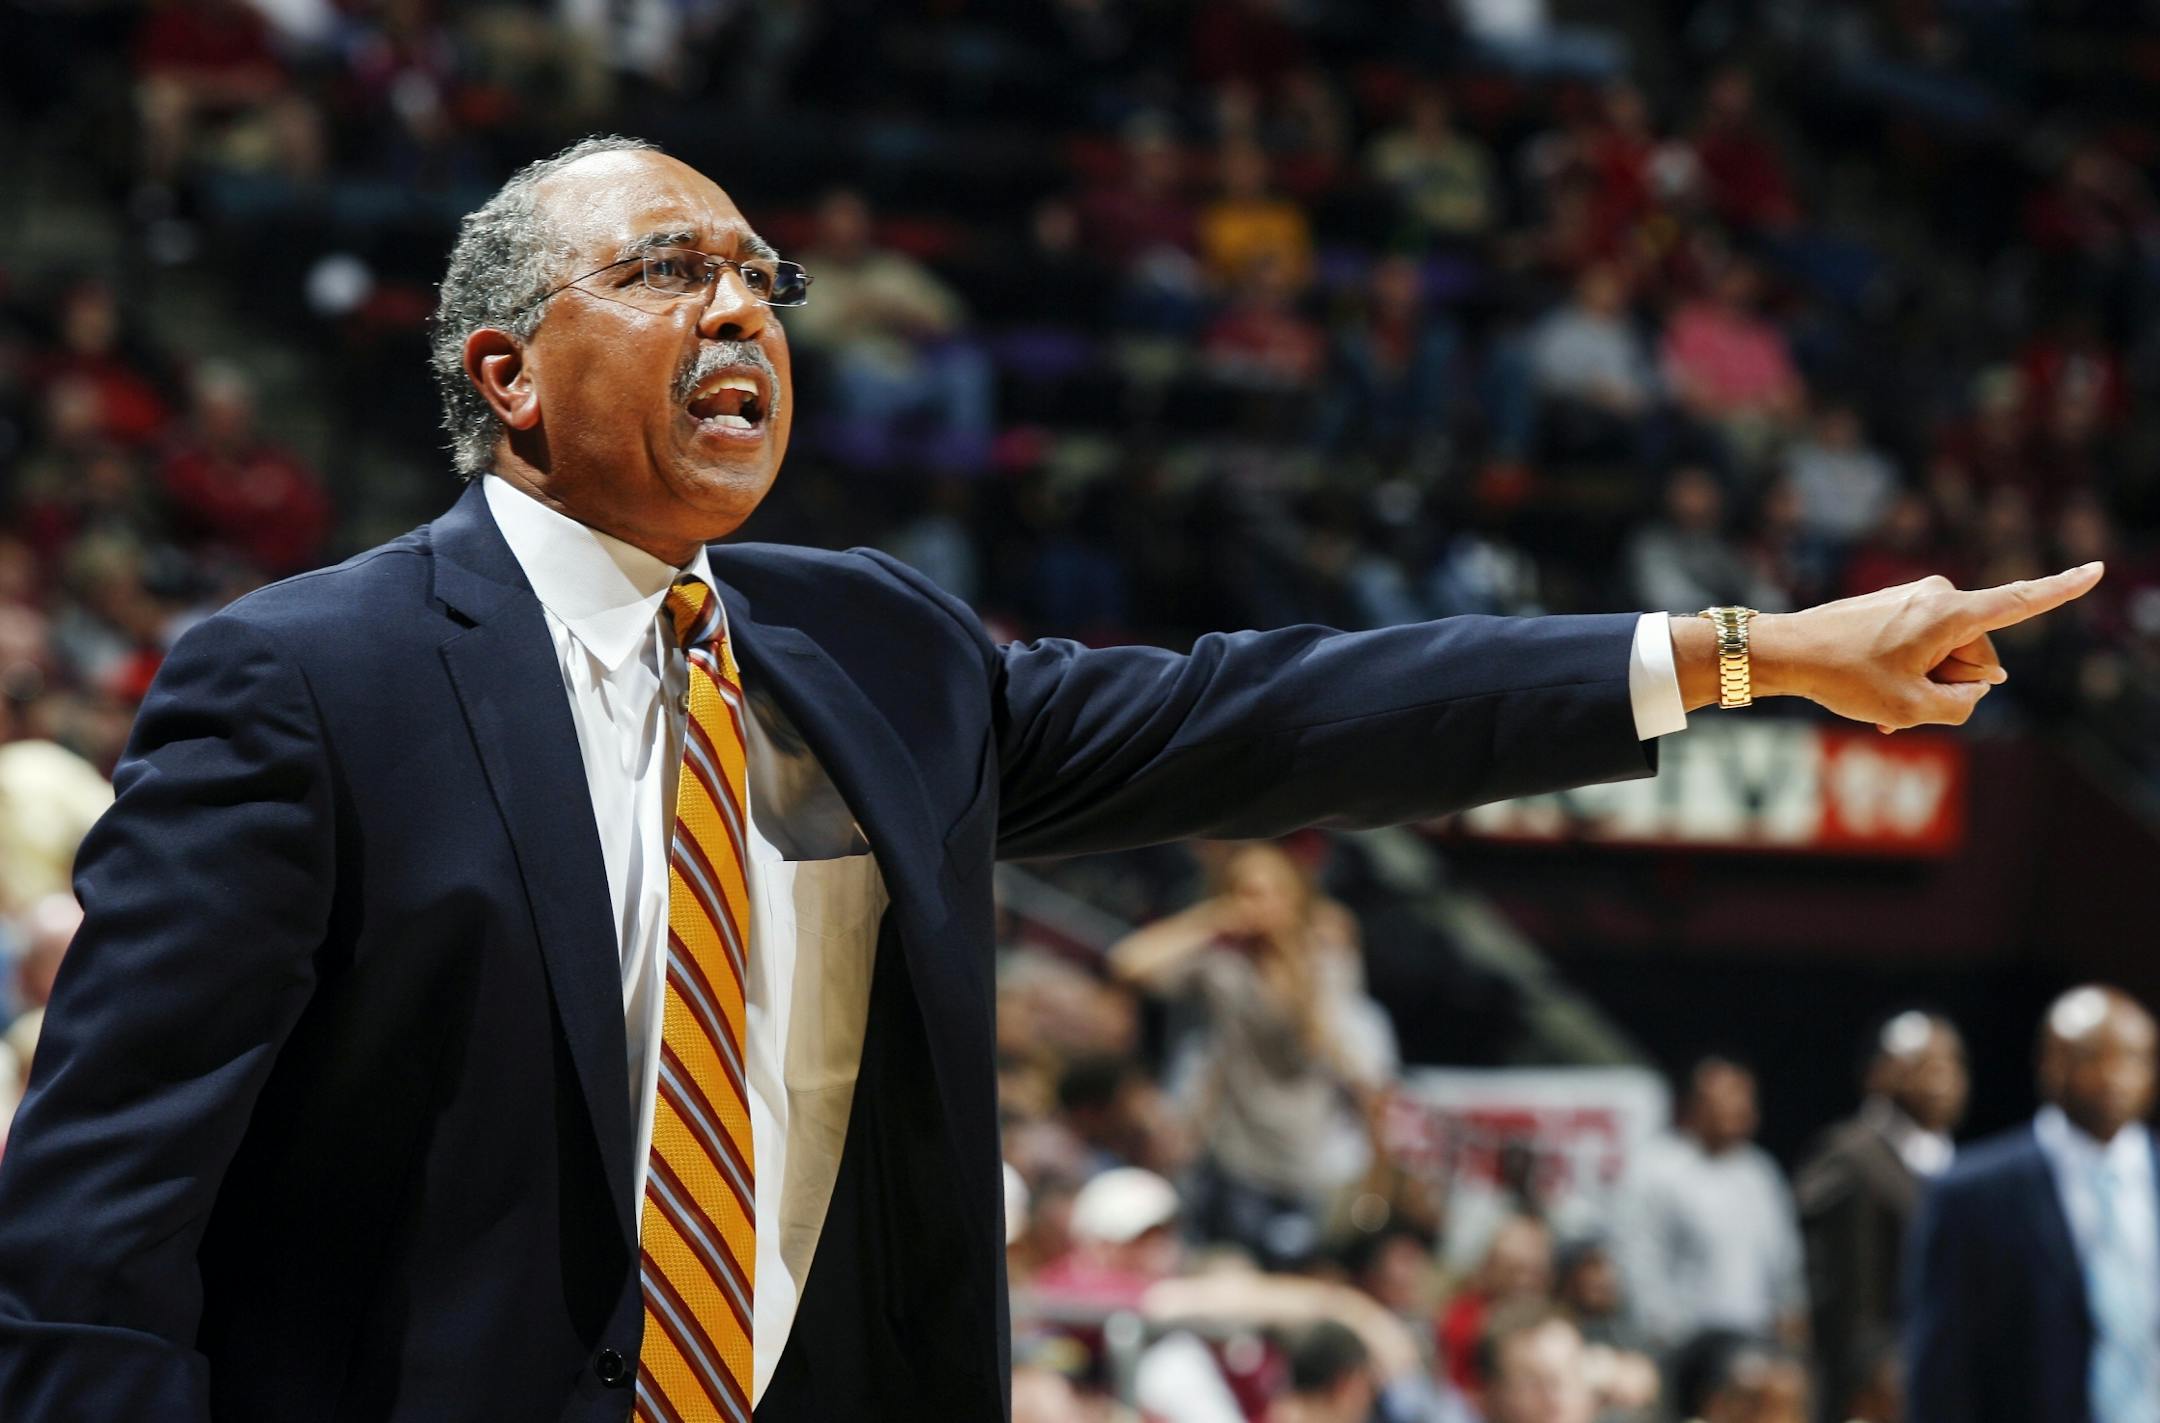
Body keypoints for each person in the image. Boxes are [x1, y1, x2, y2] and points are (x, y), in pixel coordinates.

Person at [0, 134, 2103, 1422]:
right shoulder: (298, 685)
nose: (742, 304)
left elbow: (1282, 712)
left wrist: (1746, 652)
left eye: (766, 280)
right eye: (668, 271)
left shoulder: (874, 652)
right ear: (506, 376)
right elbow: (96, 1229)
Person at [1907, 985, 2160, 1423]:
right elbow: (1943, 1359)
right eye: (2092, 1058)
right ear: (2049, 1064)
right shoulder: (1974, 1193)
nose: (2114, 1076)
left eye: (2133, 1058)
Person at [1797, 1011, 1966, 1423]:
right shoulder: (1850, 1157)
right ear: (1879, 1075)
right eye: (1924, 1067)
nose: (1942, 1081)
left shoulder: (1956, 1166)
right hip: (1874, 1389)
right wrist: (1869, 1370)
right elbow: (1843, 1293)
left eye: (1952, 1066)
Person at [1618, 1058, 1809, 1354]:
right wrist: (1662, 1333)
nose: (1740, 1107)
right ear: (1696, 1104)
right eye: (1728, 1096)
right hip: (1685, 1349)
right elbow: (1640, 1260)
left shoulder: (1760, 1173)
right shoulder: (1657, 1169)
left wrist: (1791, 1310)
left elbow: (1786, 1258)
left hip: (1756, 1344)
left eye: (1746, 1097)